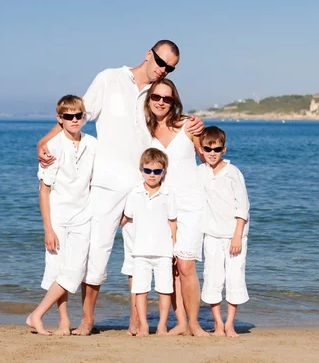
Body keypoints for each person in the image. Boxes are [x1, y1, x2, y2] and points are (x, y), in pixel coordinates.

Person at [37, 40, 204, 336]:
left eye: (170, 68)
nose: (163, 70)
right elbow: (78, 116)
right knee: (96, 253)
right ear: (148, 54)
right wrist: (45, 142)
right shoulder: (109, 78)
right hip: (105, 184)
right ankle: (87, 319)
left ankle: (136, 320)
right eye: (161, 62)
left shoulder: (154, 95)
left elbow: (169, 122)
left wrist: (195, 124)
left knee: (139, 256)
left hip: (144, 186)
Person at [138, 78, 209, 337]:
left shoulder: (188, 125)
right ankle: (180, 323)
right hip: (161, 205)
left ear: (174, 102)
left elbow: (208, 155)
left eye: (166, 98)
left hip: (191, 204)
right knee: (170, 267)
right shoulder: (144, 131)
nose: (160, 102)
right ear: (149, 99)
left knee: (187, 265)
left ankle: (194, 323)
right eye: (156, 97)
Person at [26, 95, 97, 336]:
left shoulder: (93, 144)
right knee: (59, 270)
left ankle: (36, 314)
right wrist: (48, 228)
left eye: (79, 116)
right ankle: (64, 322)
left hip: (84, 216)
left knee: (75, 270)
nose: (75, 120)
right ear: (60, 119)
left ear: (84, 117)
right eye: (69, 116)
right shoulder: (52, 147)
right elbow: (44, 191)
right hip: (58, 218)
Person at [196, 126, 250, 338]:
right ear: (201, 150)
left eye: (216, 149)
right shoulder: (200, 172)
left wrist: (237, 235)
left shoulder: (233, 173)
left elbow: (242, 207)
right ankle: (218, 323)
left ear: (224, 149)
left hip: (235, 236)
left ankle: (230, 324)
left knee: (235, 277)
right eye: (208, 149)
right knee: (213, 278)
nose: (212, 153)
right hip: (211, 235)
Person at [123, 148, 177, 337]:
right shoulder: (135, 193)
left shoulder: (169, 193)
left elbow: (173, 222)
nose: (152, 175)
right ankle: (144, 325)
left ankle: (162, 325)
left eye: (157, 171)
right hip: (140, 252)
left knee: (164, 290)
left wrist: (175, 249)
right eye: (147, 170)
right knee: (140, 290)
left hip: (164, 251)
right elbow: (125, 218)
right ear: (141, 170)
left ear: (164, 172)